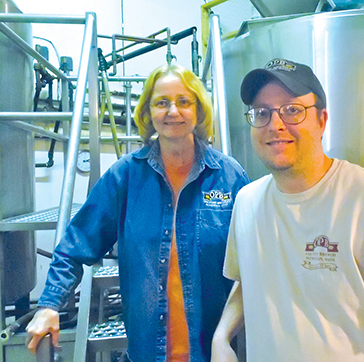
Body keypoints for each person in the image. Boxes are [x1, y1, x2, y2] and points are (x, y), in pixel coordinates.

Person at [211, 58, 364, 362]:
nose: (275, 124)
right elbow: (249, 277)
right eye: (261, 113)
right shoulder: (247, 202)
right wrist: (222, 335)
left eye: (292, 110)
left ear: (322, 120)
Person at [26, 63, 249, 362]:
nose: (173, 111)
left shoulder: (228, 176)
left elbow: (255, 263)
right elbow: (75, 246)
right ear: (147, 111)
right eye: (162, 102)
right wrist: (49, 305)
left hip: (214, 354)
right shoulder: (125, 177)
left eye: (184, 101)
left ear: (199, 110)